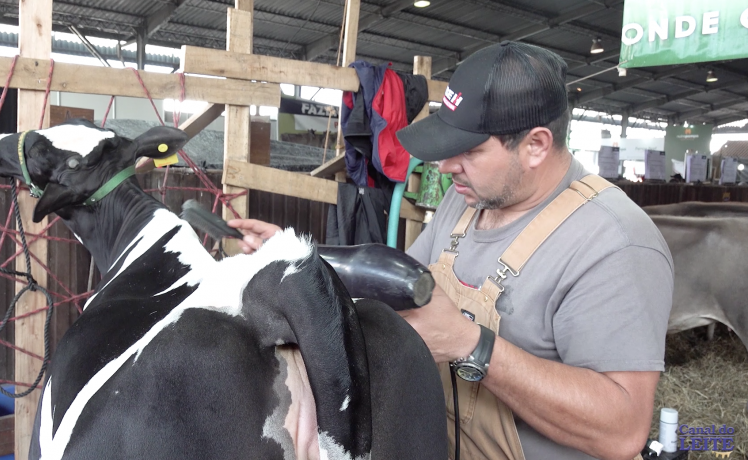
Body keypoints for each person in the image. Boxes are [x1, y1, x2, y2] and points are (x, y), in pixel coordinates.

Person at [229, 41, 673, 460]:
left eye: (469, 151)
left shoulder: (613, 241)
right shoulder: (466, 201)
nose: (443, 167)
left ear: (536, 145)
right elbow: (398, 286)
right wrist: (299, 256)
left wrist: (469, 345)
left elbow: (623, 429)